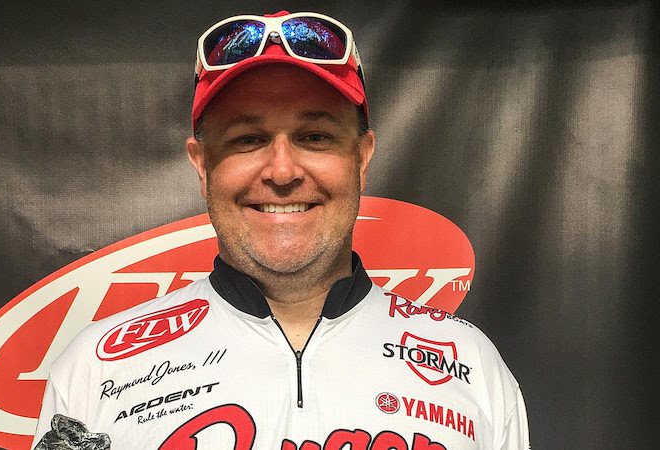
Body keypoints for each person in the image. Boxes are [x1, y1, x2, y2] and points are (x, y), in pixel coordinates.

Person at [32, 10, 529, 450]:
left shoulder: (472, 366)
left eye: (315, 136)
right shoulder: (97, 369)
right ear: (202, 165)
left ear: (361, 158)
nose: (283, 171)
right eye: (248, 139)